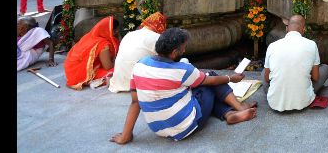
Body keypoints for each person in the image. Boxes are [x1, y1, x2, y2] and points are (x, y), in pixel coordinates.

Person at [110, 28, 256, 144]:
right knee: (212, 79)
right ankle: (239, 107)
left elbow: (135, 102)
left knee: (199, 86)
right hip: (186, 125)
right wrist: (231, 78)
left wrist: (125, 136)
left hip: (159, 130)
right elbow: (211, 81)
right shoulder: (181, 70)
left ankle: (229, 114)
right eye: (183, 48)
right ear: (174, 52)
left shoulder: (139, 65)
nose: (185, 51)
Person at [263, 14, 328, 112]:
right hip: (303, 101)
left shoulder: (272, 46)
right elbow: (315, 77)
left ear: (287, 29)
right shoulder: (312, 44)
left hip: (274, 102)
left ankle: (277, 93)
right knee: (325, 68)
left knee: (264, 72)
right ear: (304, 29)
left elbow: (266, 78)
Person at [108, 12, 167, 93]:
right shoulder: (157, 37)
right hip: (140, 84)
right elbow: (165, 59)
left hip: (119, 83)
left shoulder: (129, 34)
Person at [63, 16, 121, 90]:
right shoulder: (103, 44)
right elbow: (108, 66)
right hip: (80, 72)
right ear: (107, 30)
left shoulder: (91, 36)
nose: (117, 32)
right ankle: (91, 80)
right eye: (115, 30)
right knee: (118, 73)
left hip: (73, 70)